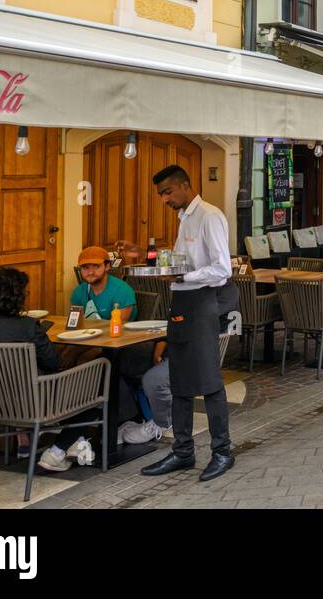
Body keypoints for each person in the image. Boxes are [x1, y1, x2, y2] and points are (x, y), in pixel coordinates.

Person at [140, 165, 237, 483]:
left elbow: (222, 269)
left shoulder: (209, 216)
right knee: (179, 381)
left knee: (209, 382)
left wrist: (184, 276)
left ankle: (223, 451)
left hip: (202, 304)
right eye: (161, 195)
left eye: (167, 192)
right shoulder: (184, 218)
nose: (164, 199)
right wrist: (150, 257)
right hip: (180, 303)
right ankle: (183, 452)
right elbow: (187, 261)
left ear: (184, 185)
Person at [0, 268, 104, 472]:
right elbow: (53, 361)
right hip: (36, 401)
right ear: (16, 297)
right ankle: (58, 450)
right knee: (97, 384)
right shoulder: (27, 326)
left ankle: (72, 443)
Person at [70, 246, 136, 321]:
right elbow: (75, 323)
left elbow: (116, 327)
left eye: (96, 266)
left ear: (107, 266)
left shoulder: (122, 291)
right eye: (85, 267)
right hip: (88, 332)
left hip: (120, 332)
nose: (90, 272)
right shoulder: (78, 292)